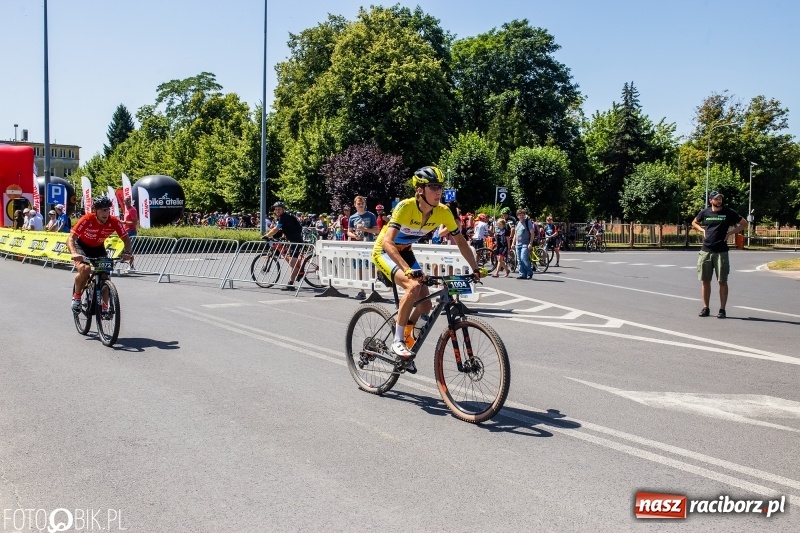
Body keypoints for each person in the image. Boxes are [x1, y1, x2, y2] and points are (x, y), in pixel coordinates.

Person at [372, 165, 485, 368]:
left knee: (425, 305)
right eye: (432, 186)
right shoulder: (405, 207)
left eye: (440, 187)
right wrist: (406, 268)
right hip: (385, 251)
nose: (438, 191)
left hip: (406, 251)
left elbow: (460, 242)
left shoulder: (443, 212)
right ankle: (397, 341)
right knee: (413, 287)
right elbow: (388, 242)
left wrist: (475, 268)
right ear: (420, 190)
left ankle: (407, 337)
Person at [68, 196, 134, 312]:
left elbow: (126, 239)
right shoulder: (87, 219)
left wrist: (127, 252)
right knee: (85, 269)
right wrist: (74, 252)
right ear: (95, 210)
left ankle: (104, 307)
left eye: (108, 210)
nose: (106, 213)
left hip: (98, 248)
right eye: (103, 210)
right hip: (82, 246)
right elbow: (71, 238)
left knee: (105, 275)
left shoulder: (114, 221)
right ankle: (77, 297)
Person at [691, 190, 747, 319]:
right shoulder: (705, 212)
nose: (719, 201)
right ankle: (706, 308)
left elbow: (744, 223)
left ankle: (722, 309)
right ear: (711, 200)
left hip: (721, 251)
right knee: (705, 281)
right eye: (716, 199)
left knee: (722, 281)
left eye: (720, 198)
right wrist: (701, 230)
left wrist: (730, 233)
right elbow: (694, 222)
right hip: (706, 250)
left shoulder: (728, 212)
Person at [262, 201, 305, 290]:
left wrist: (267, 236)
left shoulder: (284, 218)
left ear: (283, 209)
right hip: (292, 240)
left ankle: (291, 284)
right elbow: (289, 228)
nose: (277, 211)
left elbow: (276, 229)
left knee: (292, 263)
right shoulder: (285, 217)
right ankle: (297, 272)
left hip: (296, 241)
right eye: (276, 209)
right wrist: (283, 236)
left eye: (279, 209)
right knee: (292, 262)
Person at [348, 195, 380, 300]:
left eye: (362, 203)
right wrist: (354, 236)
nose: (361, 205)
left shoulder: (370, 215)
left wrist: (365, 229)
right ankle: (361, 290)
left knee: (371, 266)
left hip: (369, 244)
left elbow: (376, 230)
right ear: (355, 205)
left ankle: (373, 289)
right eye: (359, 204)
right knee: (359, 267)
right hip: (358, 246)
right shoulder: (352, 217)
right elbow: (349, 231)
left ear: (365, 204)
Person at [510, 209, 536, 279]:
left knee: (523, 258)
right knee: (519, 260)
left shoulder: (528, 222)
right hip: (518, 244)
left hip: (525, 243)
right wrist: (513, 243)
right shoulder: (517, 223)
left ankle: (529, 272)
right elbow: (516, 235)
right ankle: (522, 274)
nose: (521, 216)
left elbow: (532, 233)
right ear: (517, 216)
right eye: (520, 215)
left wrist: (530, 243)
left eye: (522, 215)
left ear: (524, 215)